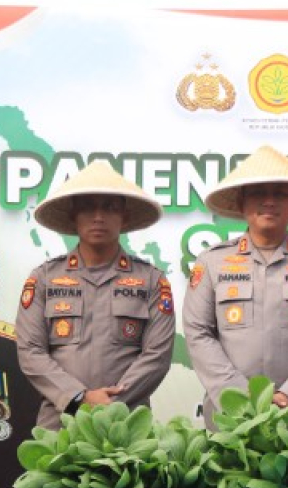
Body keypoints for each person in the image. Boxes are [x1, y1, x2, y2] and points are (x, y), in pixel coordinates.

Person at [183, 145, 288, 428]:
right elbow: (198, 332)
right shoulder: (212, 261)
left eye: (281, 194)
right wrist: (240, 395)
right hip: (229, 415)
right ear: (241, 203)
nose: (269, 201)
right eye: (258, 193)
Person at [16, 160, 173, 429]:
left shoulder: (152, 280)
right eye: (88, 207)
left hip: (126, 425)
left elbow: (157, 356)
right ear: (73, 215)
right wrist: (79, 398)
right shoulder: (44, 278)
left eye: (110, 207)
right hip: (59, 422)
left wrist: (109, 404)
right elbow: (31, 352)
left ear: (124, 216)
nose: (98, 216)